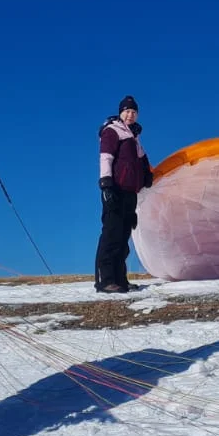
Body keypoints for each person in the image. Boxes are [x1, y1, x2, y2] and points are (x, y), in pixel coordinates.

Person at [96, 95, 154, 293]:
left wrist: (147, 175)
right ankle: (104, 280)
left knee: (123, 237)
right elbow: (106, 157)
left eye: (134, 112)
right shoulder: (112, 131)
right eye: (127, 111)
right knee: (112, 234)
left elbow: (142, 159)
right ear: (121, 113)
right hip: (116, 189)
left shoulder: (133, 136)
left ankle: (120, 279)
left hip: (130, 192)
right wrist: (106, 185)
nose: (130, 114)